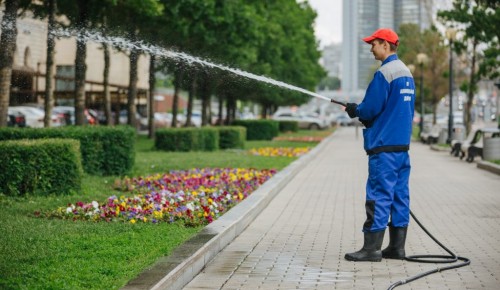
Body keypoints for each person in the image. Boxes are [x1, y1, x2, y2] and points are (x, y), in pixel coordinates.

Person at [344, 28, 416, 262]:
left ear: (386, 45)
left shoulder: (385, 73)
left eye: (374, 44)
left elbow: (371, 108)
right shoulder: (406, 72)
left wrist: (356, 110)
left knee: (378, 195)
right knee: (399, 196)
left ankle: (371, 249)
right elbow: (396, 109)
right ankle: (397, 248)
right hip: (401, 148)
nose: (371, 48)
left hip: (383, 148)